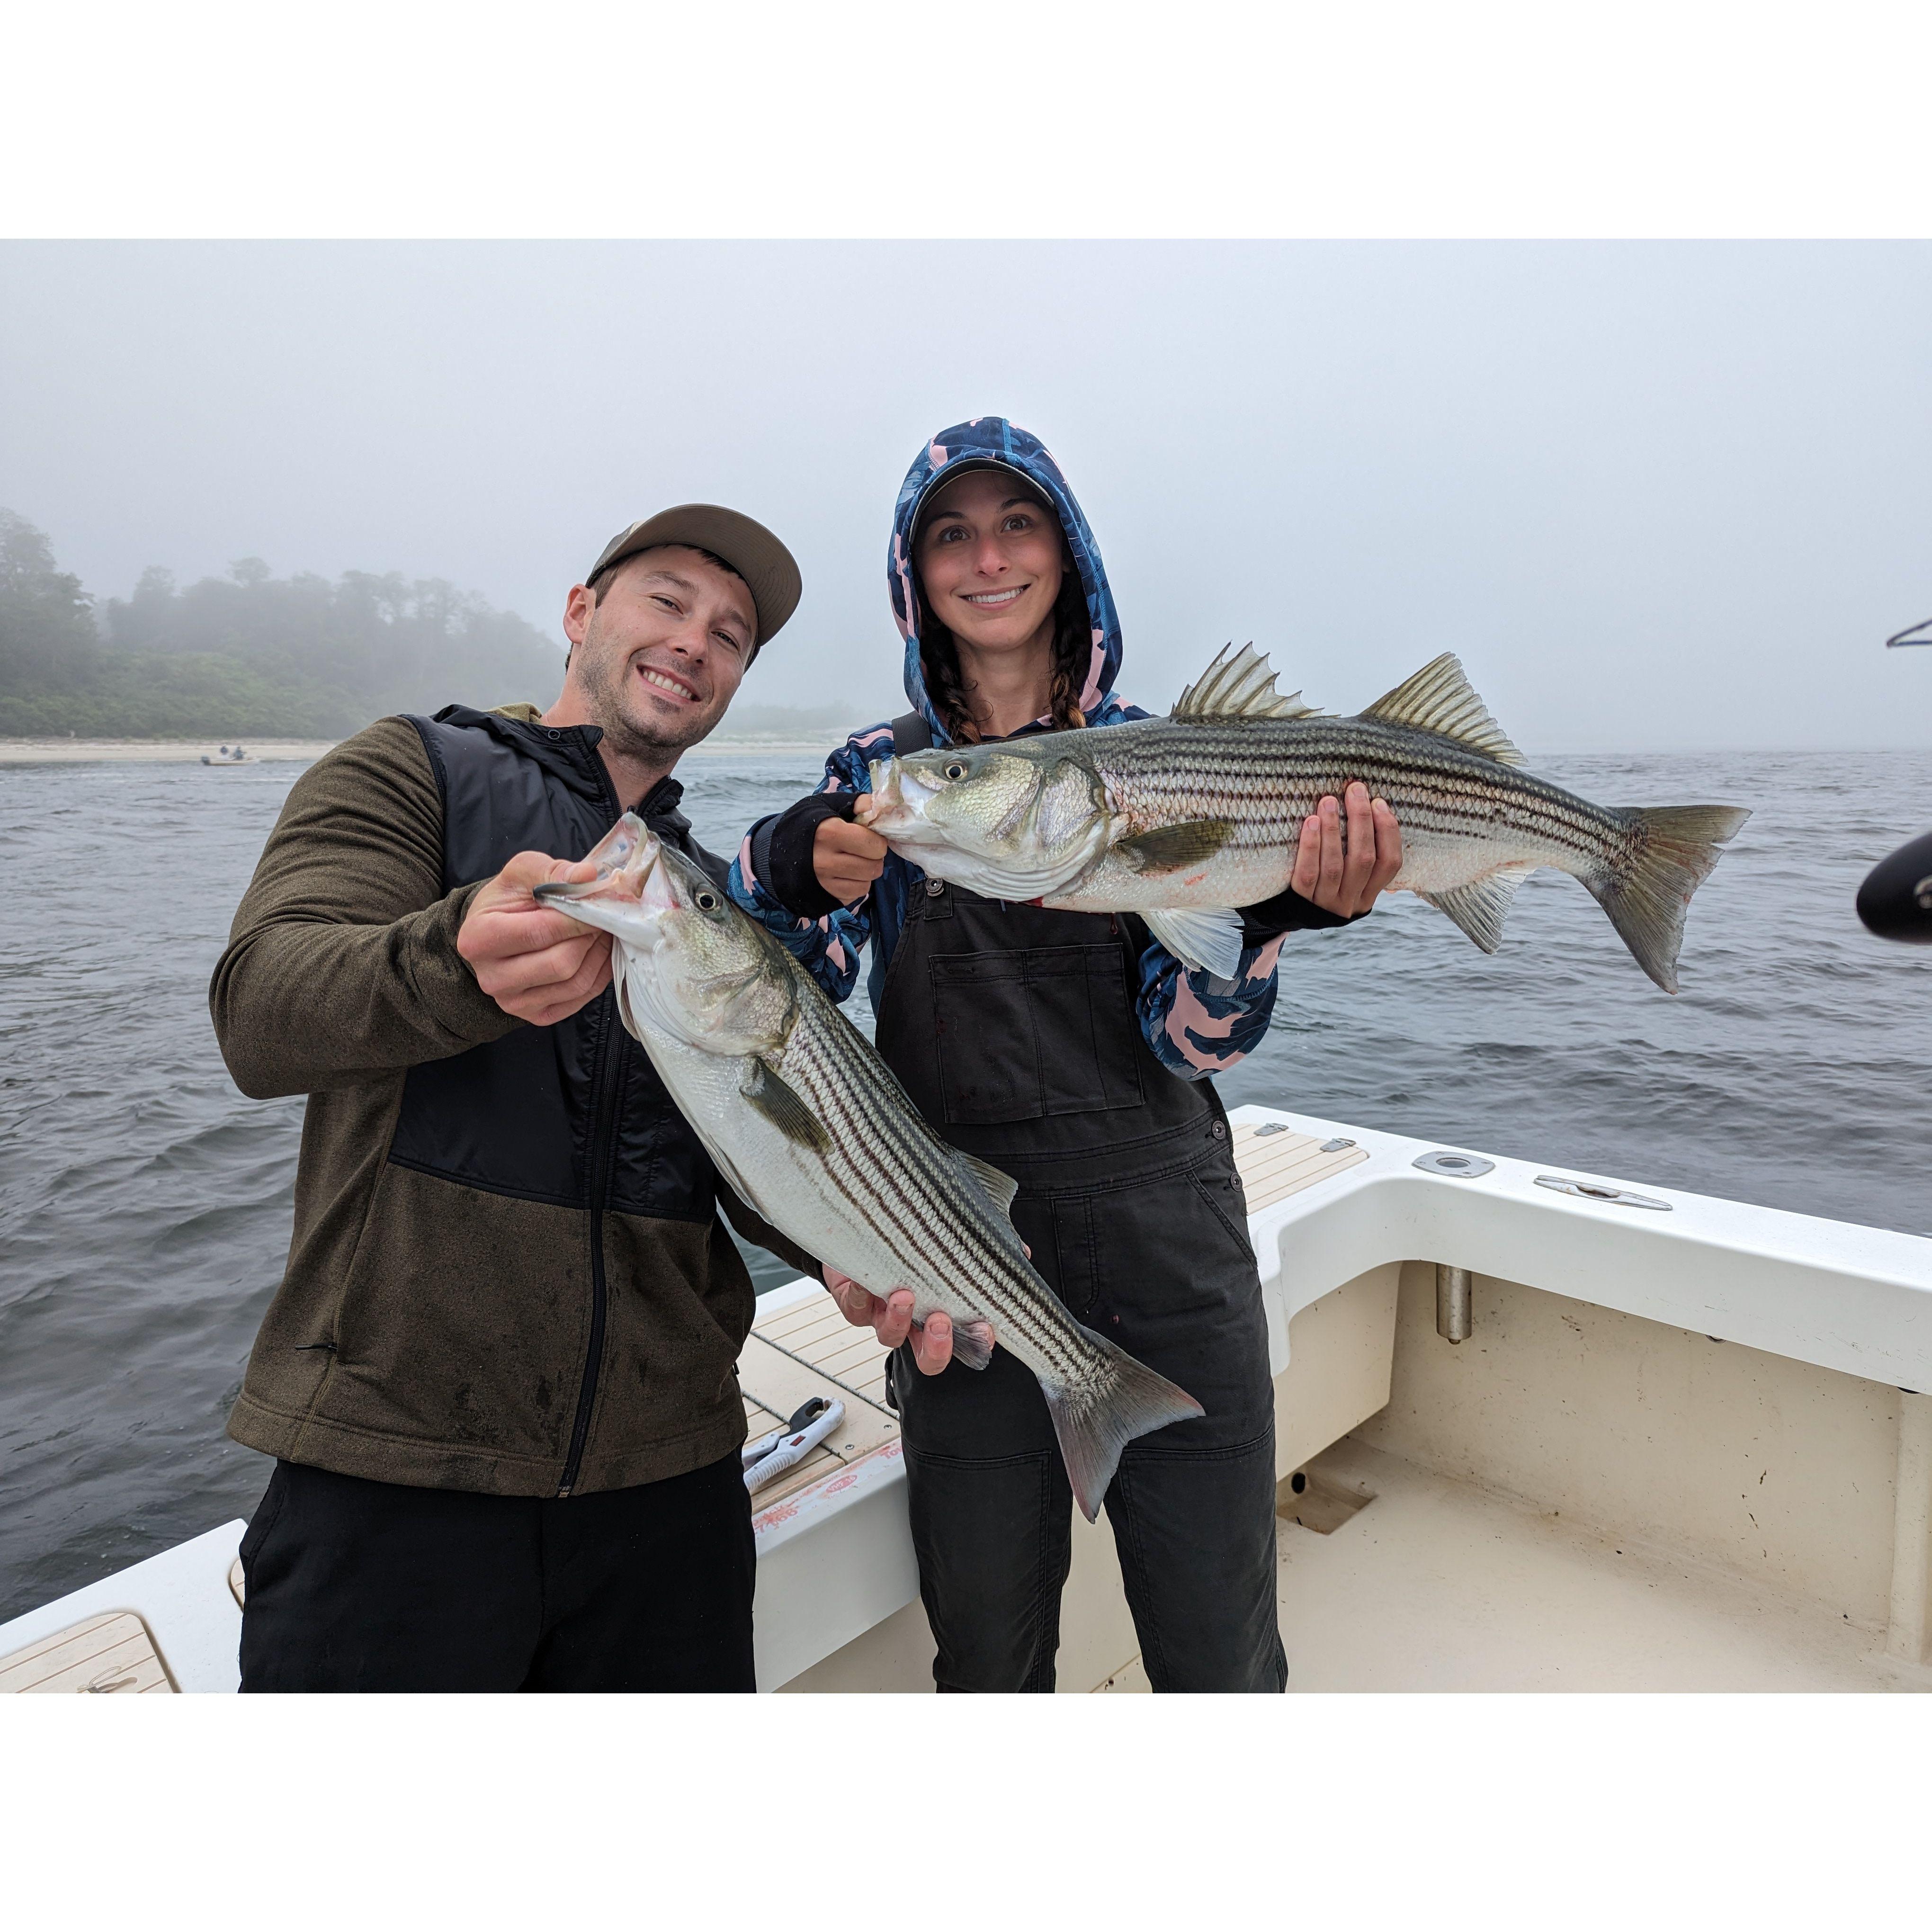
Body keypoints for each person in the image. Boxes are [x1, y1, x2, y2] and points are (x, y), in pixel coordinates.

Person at [730, 420, 1402, 1692]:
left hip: (1168, 1237)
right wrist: (777, 865)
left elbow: (1192, 1042)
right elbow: (778, 1020)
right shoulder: (878, 775)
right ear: (912, 572)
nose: (987, 558)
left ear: (1070, 550)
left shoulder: (1166, 751)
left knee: (1219, 1648)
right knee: (986, 1655)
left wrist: (1262, 921)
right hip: (965, 1248)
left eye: (1017, 523)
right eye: (950, 533)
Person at [212, 504, 824, 1691]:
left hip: (671, 1487)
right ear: (582, 613)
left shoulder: (704, 900)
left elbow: (746, 1147)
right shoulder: (410, 768)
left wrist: (850, 1248)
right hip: (395, 1465)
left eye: (733, 635)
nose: (697, 642)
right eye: (668, 599)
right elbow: (259, 1009)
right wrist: (452, 961)